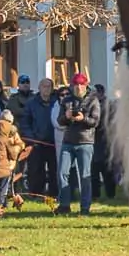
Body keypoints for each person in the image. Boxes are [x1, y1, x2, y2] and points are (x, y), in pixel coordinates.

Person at [53, 73, 100, 215]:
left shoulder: (93, 100)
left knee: (84, 176)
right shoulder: (66, 100)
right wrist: (66, 117)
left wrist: (83, 118)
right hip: (68, 141)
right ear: (72, 85)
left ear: (86, 85)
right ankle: (64, 205)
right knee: (62, 173)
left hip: (85, 141)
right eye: (76, 84)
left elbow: (95, 122)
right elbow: (60, 120)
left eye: (81, 84)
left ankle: (85, 208)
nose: (78, 87)